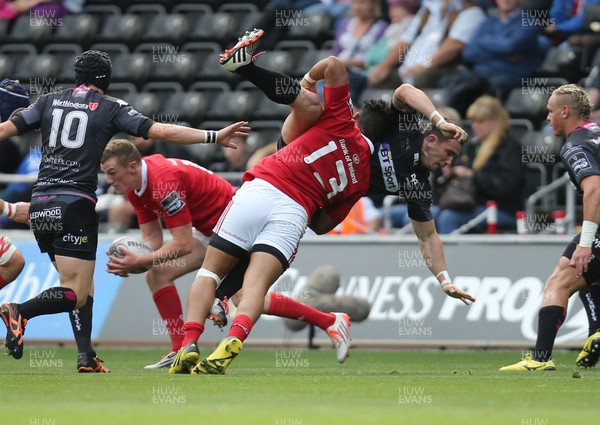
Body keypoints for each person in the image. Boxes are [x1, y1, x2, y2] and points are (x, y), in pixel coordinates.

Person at [170, 29, 474, 376]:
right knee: (256, 284)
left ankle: (202, 324)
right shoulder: (381, 141)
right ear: (432, 138)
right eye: (449, 153)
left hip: (284, 176)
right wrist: (440, 118)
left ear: (358, 117)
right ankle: (245, 69)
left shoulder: (402, 170)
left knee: (308, 102)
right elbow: (405, 90)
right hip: (305, 190)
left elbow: (427, 236)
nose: (449, 162)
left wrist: (444, 277)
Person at [0, 50, 249, 373]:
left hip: (41, 204)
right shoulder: (110, 107)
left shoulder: (48, 101)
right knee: (75, 292)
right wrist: (213, 136)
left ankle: (85, 356)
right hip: (75, 204)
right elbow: (162, 131)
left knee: (78, 287)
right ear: (106, 79)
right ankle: (20, 311)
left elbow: (5, 129)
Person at [101, 139, 355, 368]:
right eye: (106, 175)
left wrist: (141, 260)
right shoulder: (136, 188)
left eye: (113, 173)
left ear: (133, 166)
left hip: (236, 224)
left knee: (244, 295)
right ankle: (180, 349)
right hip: (208, 230)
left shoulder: (163, 179)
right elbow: (153, 240)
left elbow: (182, 244)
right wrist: (132, 260)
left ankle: (329, 321)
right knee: (160, 275)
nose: (110, 181)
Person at [500, 84, 600, 371]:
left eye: (550, 111)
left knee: (558, 282)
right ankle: (596, 332)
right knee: (591, 278)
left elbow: (594, 188)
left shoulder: (575, 145)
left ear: (565, 111)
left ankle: (540, 359)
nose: (547, 118)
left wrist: (586, 242)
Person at [435, 95, 523, 234]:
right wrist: (450, 171)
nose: (474, 126)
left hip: (501, 208)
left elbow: (505, 187)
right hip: (470, 205)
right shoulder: (472, 146)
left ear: (494, 121)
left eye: (480, 121)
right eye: (472, 121)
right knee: (426, 214)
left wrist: (472, 175)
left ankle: (447, 256)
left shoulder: (509, 148)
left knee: (448, 218)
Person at [440, 0, 540, 115]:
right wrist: (502, 53)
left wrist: (483, 42)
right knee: (450, 80)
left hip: (510, 75)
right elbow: (468, 52)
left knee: (481, 85)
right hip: (479, 75)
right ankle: (452, 120)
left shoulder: (528, 21)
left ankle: (450, 120)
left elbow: (510, 46)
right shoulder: (487, 21)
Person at [368, 0, 485, 88]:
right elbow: (405, 41)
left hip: (441, 68)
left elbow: (455, 45)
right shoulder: (428, 11)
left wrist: (425, 65)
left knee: (421, 78)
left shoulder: (471, 12)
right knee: (378, 79)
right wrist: (384, 66)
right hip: (408, 70)